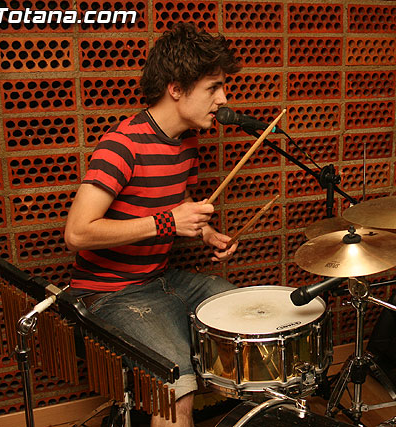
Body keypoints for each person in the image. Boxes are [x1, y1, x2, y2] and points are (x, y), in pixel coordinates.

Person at [64, 23, 242, 427]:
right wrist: (167, 222)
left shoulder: (187, 142)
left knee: (242, 315)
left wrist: (205, 232)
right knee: (176, 383)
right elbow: (77, 233)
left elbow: (175, 205)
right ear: (176, 89)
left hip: (158, 278)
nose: (223, 99)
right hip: (106, 293)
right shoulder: (121, 145)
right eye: (213, 88)